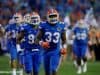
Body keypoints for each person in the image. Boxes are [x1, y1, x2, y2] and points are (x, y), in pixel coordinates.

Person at [35, 8, 67, 75]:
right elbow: (36, 39)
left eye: (54, 16)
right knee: (47, 72)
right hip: (45, 51)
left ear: (57, 16)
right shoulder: (43, 25)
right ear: (47, 17)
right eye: (51, 16)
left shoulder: (61, 25)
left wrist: (64, 47)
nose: (53, 18)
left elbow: (64, 39)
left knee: (53, 70)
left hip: (56, 51)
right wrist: (42, 43)